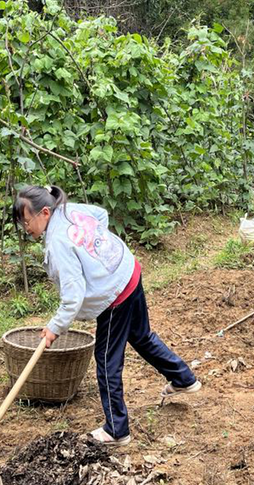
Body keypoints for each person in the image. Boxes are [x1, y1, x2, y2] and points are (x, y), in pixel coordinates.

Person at [13, 185, 201, 447]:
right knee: (141, 336)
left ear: (44, 212)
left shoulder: (57, 243)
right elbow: (100, 215)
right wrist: (99, 253)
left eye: (26, 221)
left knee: (106, 359)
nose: (25, 228)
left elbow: (73, 297)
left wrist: (55, 327)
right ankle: (183, 378)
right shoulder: (69, 210)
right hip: (129, 272)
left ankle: (116, 429)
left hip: (114, 296)